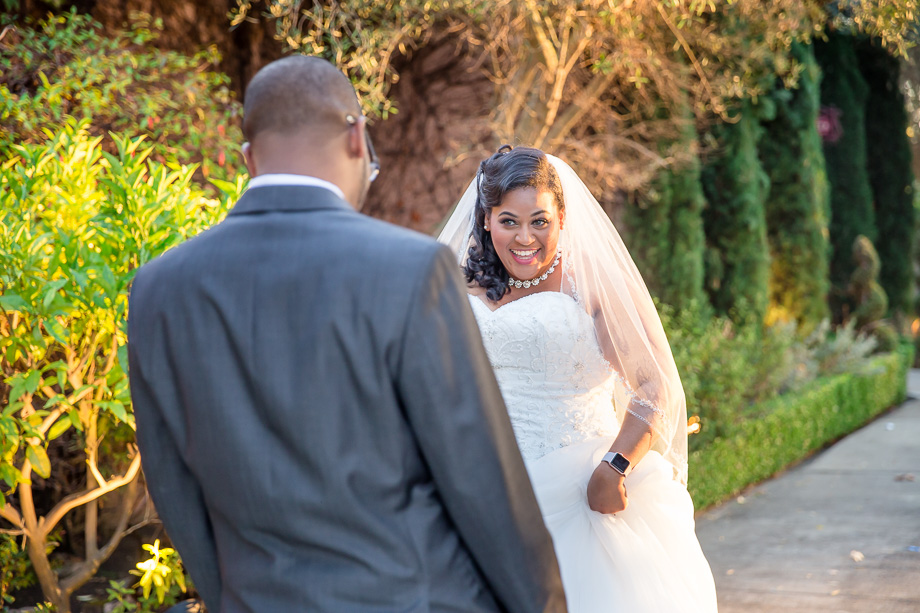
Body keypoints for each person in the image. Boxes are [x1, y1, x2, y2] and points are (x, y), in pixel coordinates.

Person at [128, 57, 567, 613]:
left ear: (248, 159)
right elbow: (483, 484)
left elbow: (174, 490)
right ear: (358, 136)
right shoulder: (412, 270)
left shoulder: (159, 289)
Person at [438, 145, 719, 612]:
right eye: (509, 221)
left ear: (561, 217)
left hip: (578, 493)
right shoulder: (456, 282)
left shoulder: (589, 283)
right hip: (480, 488)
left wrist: (615, 466)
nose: (525, 238)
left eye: (540, 221)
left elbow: (655, 388)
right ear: (486, 219)